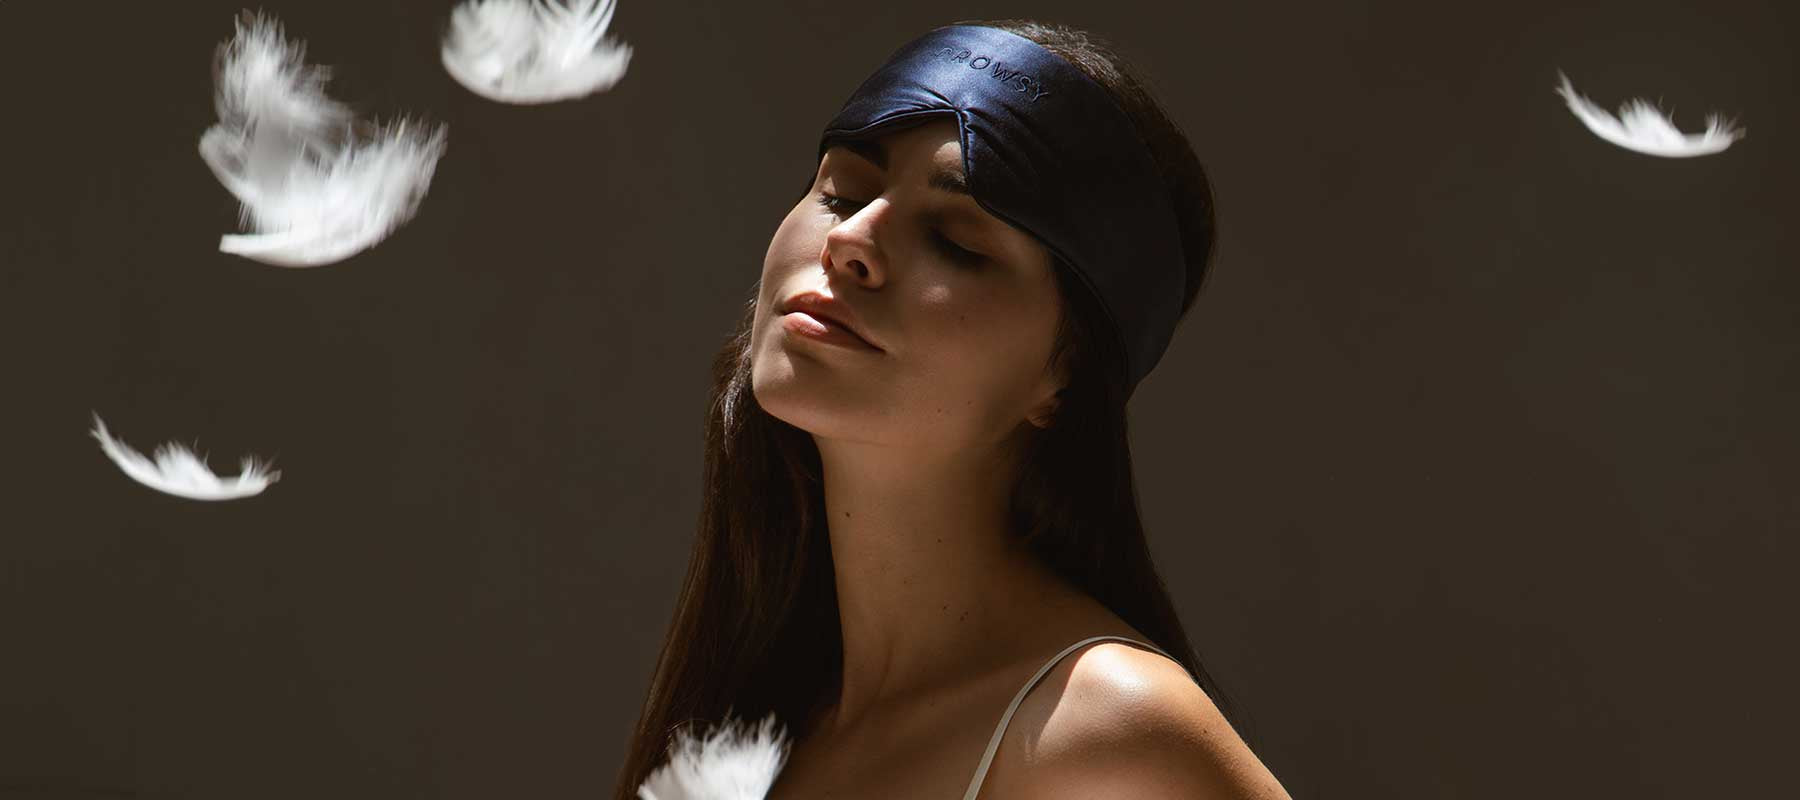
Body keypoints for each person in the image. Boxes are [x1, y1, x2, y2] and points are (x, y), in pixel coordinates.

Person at [613, 18, 1293, 799]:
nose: (851, 242)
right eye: (842, 193)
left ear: (1063, 375)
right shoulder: (768, 715)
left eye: (957, 241)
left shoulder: (1108, 732)